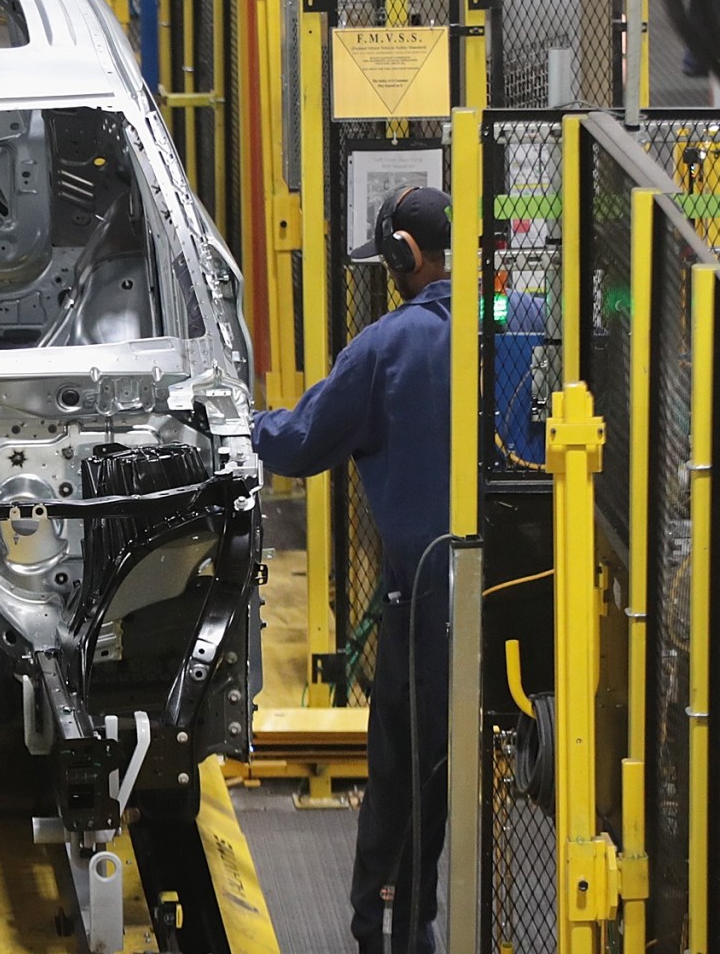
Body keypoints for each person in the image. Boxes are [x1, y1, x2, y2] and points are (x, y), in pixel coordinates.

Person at [250, 186, 454, 954]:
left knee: (403, 777)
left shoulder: (386, 348)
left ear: (404, 254)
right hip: (518, 605)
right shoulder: (520, 327)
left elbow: (302, 443)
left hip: (424, 603)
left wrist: (243, 425)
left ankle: (391, 934)